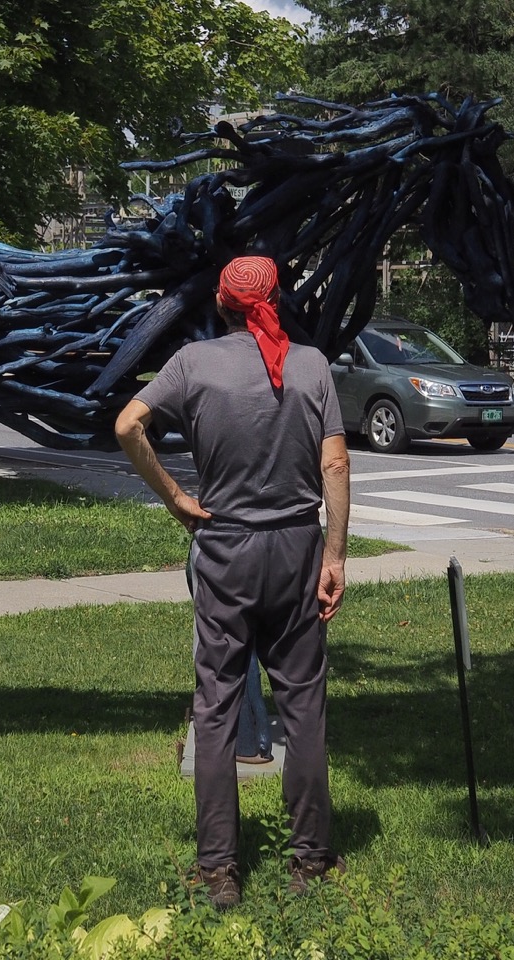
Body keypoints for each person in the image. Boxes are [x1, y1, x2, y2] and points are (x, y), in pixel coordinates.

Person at [114, 255, 351, 909]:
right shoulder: (312, 365)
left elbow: (126, 424)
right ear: (276, 300)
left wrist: (175, 499)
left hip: (223, 549)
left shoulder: (192, 364)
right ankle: (311, 862)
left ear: (221, 303)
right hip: (299, 546)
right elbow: (335, 461)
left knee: (216, 708)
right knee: (303, 708)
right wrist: (334, 554)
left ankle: (219, 871)